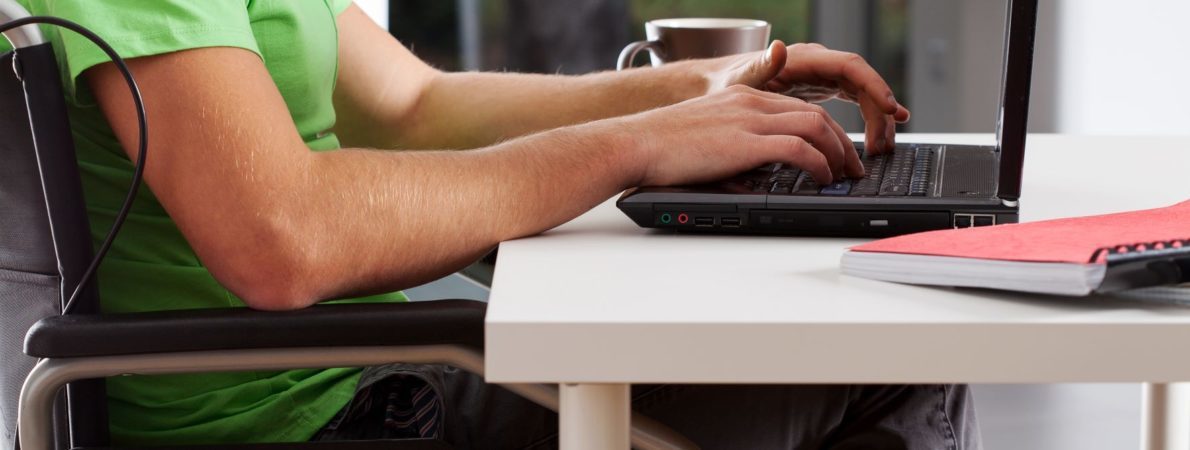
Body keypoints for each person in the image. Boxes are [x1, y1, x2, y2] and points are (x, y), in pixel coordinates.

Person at [2, 0, 978, 448]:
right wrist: (635, 148)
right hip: (313, 417)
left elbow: (416, 105)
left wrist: (702, 92)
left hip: (356, 375)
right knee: (892, 352)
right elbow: (280, 240)